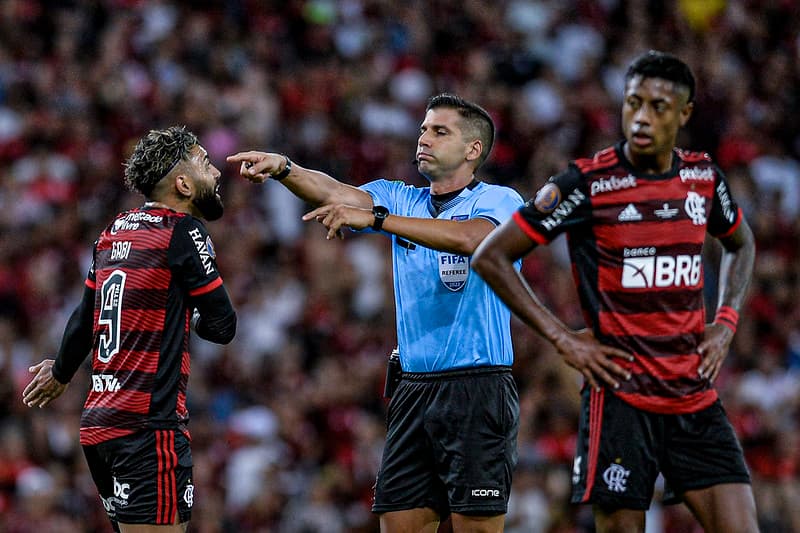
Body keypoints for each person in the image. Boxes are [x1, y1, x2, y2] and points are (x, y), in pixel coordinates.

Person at [472, 50, 759, 533]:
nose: (642, 117)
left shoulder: (702, 179)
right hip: (621, 399)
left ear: (684, 114)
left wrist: (726, 321)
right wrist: (563, 338)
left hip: (693, 396)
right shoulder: (589, 183)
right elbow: (490, 256)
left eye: (658, 106)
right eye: (633, 103)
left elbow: (741, 243)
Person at [227, 93, 523, 533]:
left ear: (472, 150)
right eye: (423, 128)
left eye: (440, 131)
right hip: (414, 389)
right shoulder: (401, 197)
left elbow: (470, 239)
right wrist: (285, 169)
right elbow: (335, 192)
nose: (424, 137)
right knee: (398, 524)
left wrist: (379, 221)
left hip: (477, 388)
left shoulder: (500, 200)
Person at [23, 126, 237, 533]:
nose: (217, 174)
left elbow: (86, 316)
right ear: (183, 183)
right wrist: (187, 314)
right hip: (148, 429)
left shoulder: (113, 232)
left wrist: (60, 372)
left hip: (99, 428)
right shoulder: (184, 231)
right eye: (206, 164)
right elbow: (224, 325)